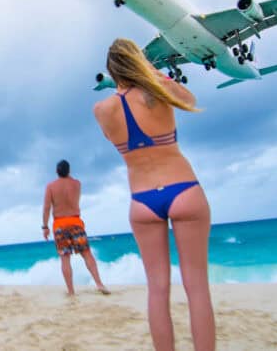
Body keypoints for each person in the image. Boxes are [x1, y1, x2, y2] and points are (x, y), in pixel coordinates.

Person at [92, 38, 215, 351]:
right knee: (197, 287)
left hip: (143, 201)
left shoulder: (102, 109)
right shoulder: (156, 92)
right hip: (183, 189)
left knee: (157, 290)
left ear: (111, 71)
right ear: (139, 62)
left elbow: (111, 136)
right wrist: (153, 73)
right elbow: (189, 97)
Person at [42, 159, 110, 296]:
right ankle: (99, 284)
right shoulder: (77, 184)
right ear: (69, 170)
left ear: (56, 171)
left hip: (60, 224)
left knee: (65, 258)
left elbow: (47, 208)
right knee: (87, 254)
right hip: (75, 222)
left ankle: (71, 291)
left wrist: (45, 226)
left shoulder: (51, 186)